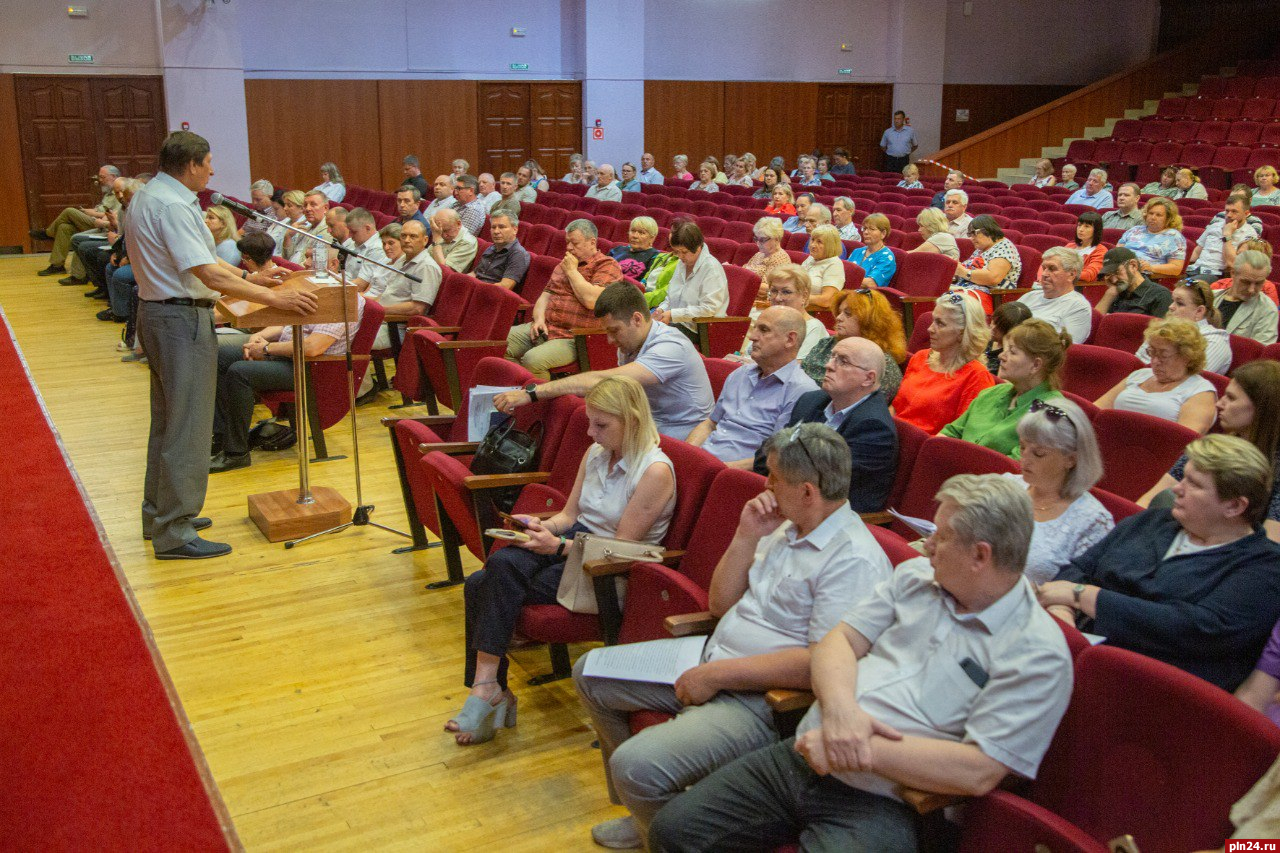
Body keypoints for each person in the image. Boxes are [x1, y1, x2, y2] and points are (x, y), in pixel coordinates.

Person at [651, 473, 1073, 853]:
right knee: (674, 831)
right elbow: (838, 641)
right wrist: (840, 713)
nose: (925, 546)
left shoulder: (1036, 652)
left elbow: (979, 771)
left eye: (940, 538)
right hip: (804, 754)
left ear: (981, 556)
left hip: (889, 800)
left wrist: (854, 748)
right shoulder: (915, 578)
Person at [578, 423, 891, 850]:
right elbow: (720, 605)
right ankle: (646, 815)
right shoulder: (785, 524)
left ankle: (661, 830)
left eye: (775, 478)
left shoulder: (853, 560)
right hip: (710, 658)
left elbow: (823, 664)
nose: (765, 485)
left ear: (807, 491)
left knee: (637, 767)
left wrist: (719, 675)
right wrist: (745, 534)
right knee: (590, 674)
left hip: (761, 700)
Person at [451, 376, 676, 746]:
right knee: (501, 565)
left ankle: (490, 690)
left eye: (601, 425)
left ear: (632, 420)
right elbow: (569, 517)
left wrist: (556, 547)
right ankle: (488, 686)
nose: (590, 433)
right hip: (576, 544)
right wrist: (538, 525)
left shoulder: (654, 471)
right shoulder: (597, 454)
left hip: (611, 571)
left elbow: (622, 549)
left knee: (483, 582)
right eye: (590, 422)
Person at [127, 131, 316, 559]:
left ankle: (159, 513)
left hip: (157, 314)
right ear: (191, 164)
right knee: (188, 427)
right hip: (179, 319)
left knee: (167, 421)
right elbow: (205, 273)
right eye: (209, 162)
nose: (213, 171)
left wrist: (249, 280)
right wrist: (275, 298)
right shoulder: (174, 204)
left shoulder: (149, 194)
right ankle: (174, 531)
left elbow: (205, 265)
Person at [1042, 434, 1280, 692]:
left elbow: (1198, 629)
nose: (1176, 488)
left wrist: (1083, 596)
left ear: (1234, 505)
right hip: (1073, 655)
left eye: (1194, 484)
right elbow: (1077, 569)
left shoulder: (1264, 566)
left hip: (1152, 691)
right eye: (1183, 477)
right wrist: (1064, 617)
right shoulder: (1152, 521)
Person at [495, 282, 713, 441]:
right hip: (649, 425)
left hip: (683, 435)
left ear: (637, 319)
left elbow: (604, 381)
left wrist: (531, 394)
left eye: (614, 331)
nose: (609, 340)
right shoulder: (630, 342)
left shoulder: (670, 347)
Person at [210, 296, 363, 472]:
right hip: (287, 356)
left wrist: (267, 349)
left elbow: (313, 347)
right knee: (220, 353)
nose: (305, 265)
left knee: (240, 372)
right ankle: (223, 438)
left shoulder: (342, 299)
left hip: (310, 369)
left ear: (335, 265)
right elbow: (285, 324)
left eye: (310, 264)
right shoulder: (319, 290)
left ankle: (235, 453)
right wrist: (258, 337)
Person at [1139, 359, 1280, 541]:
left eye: (1231, 398)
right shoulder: (1210, 448)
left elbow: (1269, 548)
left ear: (1262, 409)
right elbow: (1150, 501)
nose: (1219, 404)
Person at [768, 337, 899, 512]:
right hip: (792, 498)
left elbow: (823, 482)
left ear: (868, 378)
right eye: (832, 357)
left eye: (843, 361)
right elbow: (772, 451)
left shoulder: (874, 428)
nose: (828, 365)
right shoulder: (810, 400)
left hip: (834, 517)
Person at [688, 307, 818, 467]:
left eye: (763, 330)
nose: (752, 337)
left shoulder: (802, 392)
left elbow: (776, 456)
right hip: (705, 462)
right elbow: (710, 424)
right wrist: (687, 456)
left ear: (790, 340)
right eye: (755, 328)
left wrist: (716, 471)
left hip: (737, 476)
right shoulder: (740, 374)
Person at [1005, 399, 1113, 584]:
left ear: (1070, 460)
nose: (1025, 459)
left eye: (1039, 453)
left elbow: (1076, 595)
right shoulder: (1005, 485)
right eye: (1022, 447)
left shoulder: (1092, 521)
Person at [502, 219, 623, 378]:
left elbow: (591, 301)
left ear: (592, 242)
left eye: (575, 243)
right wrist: (538, 319)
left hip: (574, 337)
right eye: (567, 242)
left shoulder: (607, 265)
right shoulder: (563, 265)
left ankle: (543, 399)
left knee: (532, 360)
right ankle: (522, 386)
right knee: (499, 343)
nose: (569, 248)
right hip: (546, 327)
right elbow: (545, 296)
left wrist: (572, 271)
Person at [941, 318, 1069, 458]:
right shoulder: (990, 393)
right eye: (1005, 349)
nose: (1001, 356)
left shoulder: (1052, 412)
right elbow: (950, 433)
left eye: (1012, 352)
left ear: (1036, 365)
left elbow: (1017, 469)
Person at [893, 292, 995, 435]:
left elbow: (961, 435)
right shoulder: (920, 357)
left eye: (940, 323)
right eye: (933, 321)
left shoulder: (976, 377)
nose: (930, 329)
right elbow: (896, 408)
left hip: (929, 450)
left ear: (962, 332)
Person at [1095, 317, 1218, 434]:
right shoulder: (1139, 375)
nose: (1154, 361)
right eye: (1152, 352)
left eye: (1163, 355)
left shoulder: (1201, 391)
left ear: (1186, 357)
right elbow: (1095, 410)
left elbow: (1184, 442)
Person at [802, 288, 905, 397]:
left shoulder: (882, 364)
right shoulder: (826, 344)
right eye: (839, 312)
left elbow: (868, 405)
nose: (838, 318)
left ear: (869, 320)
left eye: (848, 314)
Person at [32, 163, 122, 278]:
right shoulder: (108, 193)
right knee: (64, 227)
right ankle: (57, 265)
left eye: (102, 177)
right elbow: (102, 209)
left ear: (114, 176)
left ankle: (49, 233)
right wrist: (89, 211)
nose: (100, 180)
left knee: (69, 211)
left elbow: (111, 214)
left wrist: (92, 213)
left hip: (102, 225)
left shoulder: (119, 193)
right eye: (99, 177)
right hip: (95, 221)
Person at [366, 218, 443, 351]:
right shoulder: (402, 260)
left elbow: (417, 309)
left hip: (394, 328)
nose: (407, 240)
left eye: (413, 236)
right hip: (380, 320)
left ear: (425, 240)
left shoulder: (426, 267)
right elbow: (387, 296)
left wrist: (378, 310)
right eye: (403, 236)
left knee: (348, 340)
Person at [654, 219, 729, 343]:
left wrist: (672, 314)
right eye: (677, 252)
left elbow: (709, 309)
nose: (680, 256)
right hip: (678, 324)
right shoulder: (682, 263)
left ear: (698, 248)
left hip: (701, 331)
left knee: (656, 338)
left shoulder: (711, 268)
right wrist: (661, 310)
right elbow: (671, 298)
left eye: (684, 252)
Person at [1134, 279, 1227, 373]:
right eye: (1172, 301)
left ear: (1199, 311)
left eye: (1180, 303)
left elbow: (1193, 379)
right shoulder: (1162, 329)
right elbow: (1137, 364)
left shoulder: (1214, 341)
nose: (1171, 306)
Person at [743, 265, 829, 360]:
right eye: (774, 291)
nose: (778, 298)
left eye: (786, 292)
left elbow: (798, 369)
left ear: (804, 296)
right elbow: (748, 355)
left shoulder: (813, 328)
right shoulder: (765, 321)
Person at [1016, 247, 1093, 343]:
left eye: (1052, 269)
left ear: (1071, 275)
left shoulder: (1078, 307)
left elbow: (1066, 347)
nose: (1044, 274)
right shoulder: (1030, 296)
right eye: (1044, 268)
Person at [953, 215, 1022, 315]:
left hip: (990, 295)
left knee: (950, 303)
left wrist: (963, 272)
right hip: (969, 289)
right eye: (970, 234)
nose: (971, 238)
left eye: (974, 233)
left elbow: (993, 277)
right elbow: (967, 269)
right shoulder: (982, 248)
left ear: (988, 230)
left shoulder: (1004, 247)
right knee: (940, 296)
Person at [1185, 192, 1259, 283]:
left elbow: (1233, 263)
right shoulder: (1214, 226)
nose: (1229, 215)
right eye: (1227, 211)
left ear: (1246, 213)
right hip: (1194, 269)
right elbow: (1197, 252)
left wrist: (1227, 235)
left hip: (1216, 275)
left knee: (1186, 287)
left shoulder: (1250, 235)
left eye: (1234, 211)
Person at [1214, 250, 1279, 344]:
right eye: (1246, 282)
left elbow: (1259, 353)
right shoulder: (1212, 297)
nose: (1251, 290)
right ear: (1233, 273)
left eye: (1259, 283)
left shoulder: (1267, 310)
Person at [1118, 197, 1187, 279]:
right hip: (1121, 268)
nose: (1153, 217)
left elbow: (1176, 268)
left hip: (1146, 276)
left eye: (1158, 215)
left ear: (1168, 218)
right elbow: (1117, 251)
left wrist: (1151, 267)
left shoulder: (1174, 236)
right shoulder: (1135, 230)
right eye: (1151, 213)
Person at [1095, 246, 1174, 317]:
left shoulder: (1160, 295)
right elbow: (1094, 323)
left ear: (1133, 265)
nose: (1114, 280)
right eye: (1109, 275)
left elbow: (1162, 331)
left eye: (1117, 272)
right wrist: (1110, 294)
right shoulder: (1116, 293)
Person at [471, 211, 530, 291]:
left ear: (515, 230)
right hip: (475, 290)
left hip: (489, 295)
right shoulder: (491, 248)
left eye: (501, 227)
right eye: (493, 227)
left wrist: (475, 287)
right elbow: (475, 274)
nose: (496, 231)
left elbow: (504, 287)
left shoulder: (518, 254)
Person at [802, 224, 847, 312]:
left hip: (811, 311)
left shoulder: (834, 265)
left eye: (819, 242)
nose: (813, 245)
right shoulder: (811, 258)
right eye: (812, 240)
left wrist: (796, 298)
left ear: (830, 245)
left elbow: (826, 300)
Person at [743, 217, 791, 296]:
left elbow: (770, 289)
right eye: (756, 239)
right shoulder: (759, 254)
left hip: (761, 302)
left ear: (776, 239)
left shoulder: (781, 259)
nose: (758, 243)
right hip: (747, 294)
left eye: (762, 240)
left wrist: (742, 279)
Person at [847, 214, 897, 289]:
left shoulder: (887, 257)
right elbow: (843, 271)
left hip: (867, 296)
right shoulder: (857, 251)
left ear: (883, 234)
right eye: (865, 228)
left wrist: (844, 279)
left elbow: (870, 284)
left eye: (871, 229)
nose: (866, 232)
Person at [983, 301, 1032, 375]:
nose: (992, 328)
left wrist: (1007, 345)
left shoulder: (1014, 356)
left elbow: (1004, 383)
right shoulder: (984, 338)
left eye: (1000, 328)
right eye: (994, 321)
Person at [283, 190, 330, 266]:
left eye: (313, 205)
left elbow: (315, 265)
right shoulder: (305, 229)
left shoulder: (328, 231)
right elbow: (286, 258)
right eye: (305, 205)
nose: (307, 209)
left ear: (325, 208)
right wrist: (288, 236)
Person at [426, 208, 477, 273]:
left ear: (458, 224)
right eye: (441, 231)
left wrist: (436, 241)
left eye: (447, 230)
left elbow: (444, 271)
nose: (444, 235)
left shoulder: (468, 242)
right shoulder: (440, 233)